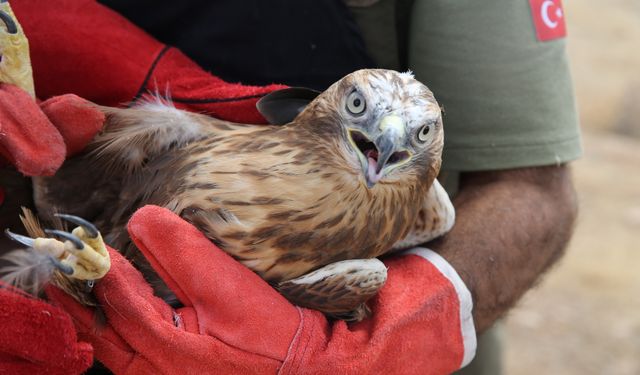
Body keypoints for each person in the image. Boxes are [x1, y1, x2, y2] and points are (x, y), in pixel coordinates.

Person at [0, 0, 579, 373]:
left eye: (417, 133)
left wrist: (422, 320)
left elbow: (532, 184)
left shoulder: (417, 206)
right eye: (358, 106)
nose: (381, 133)